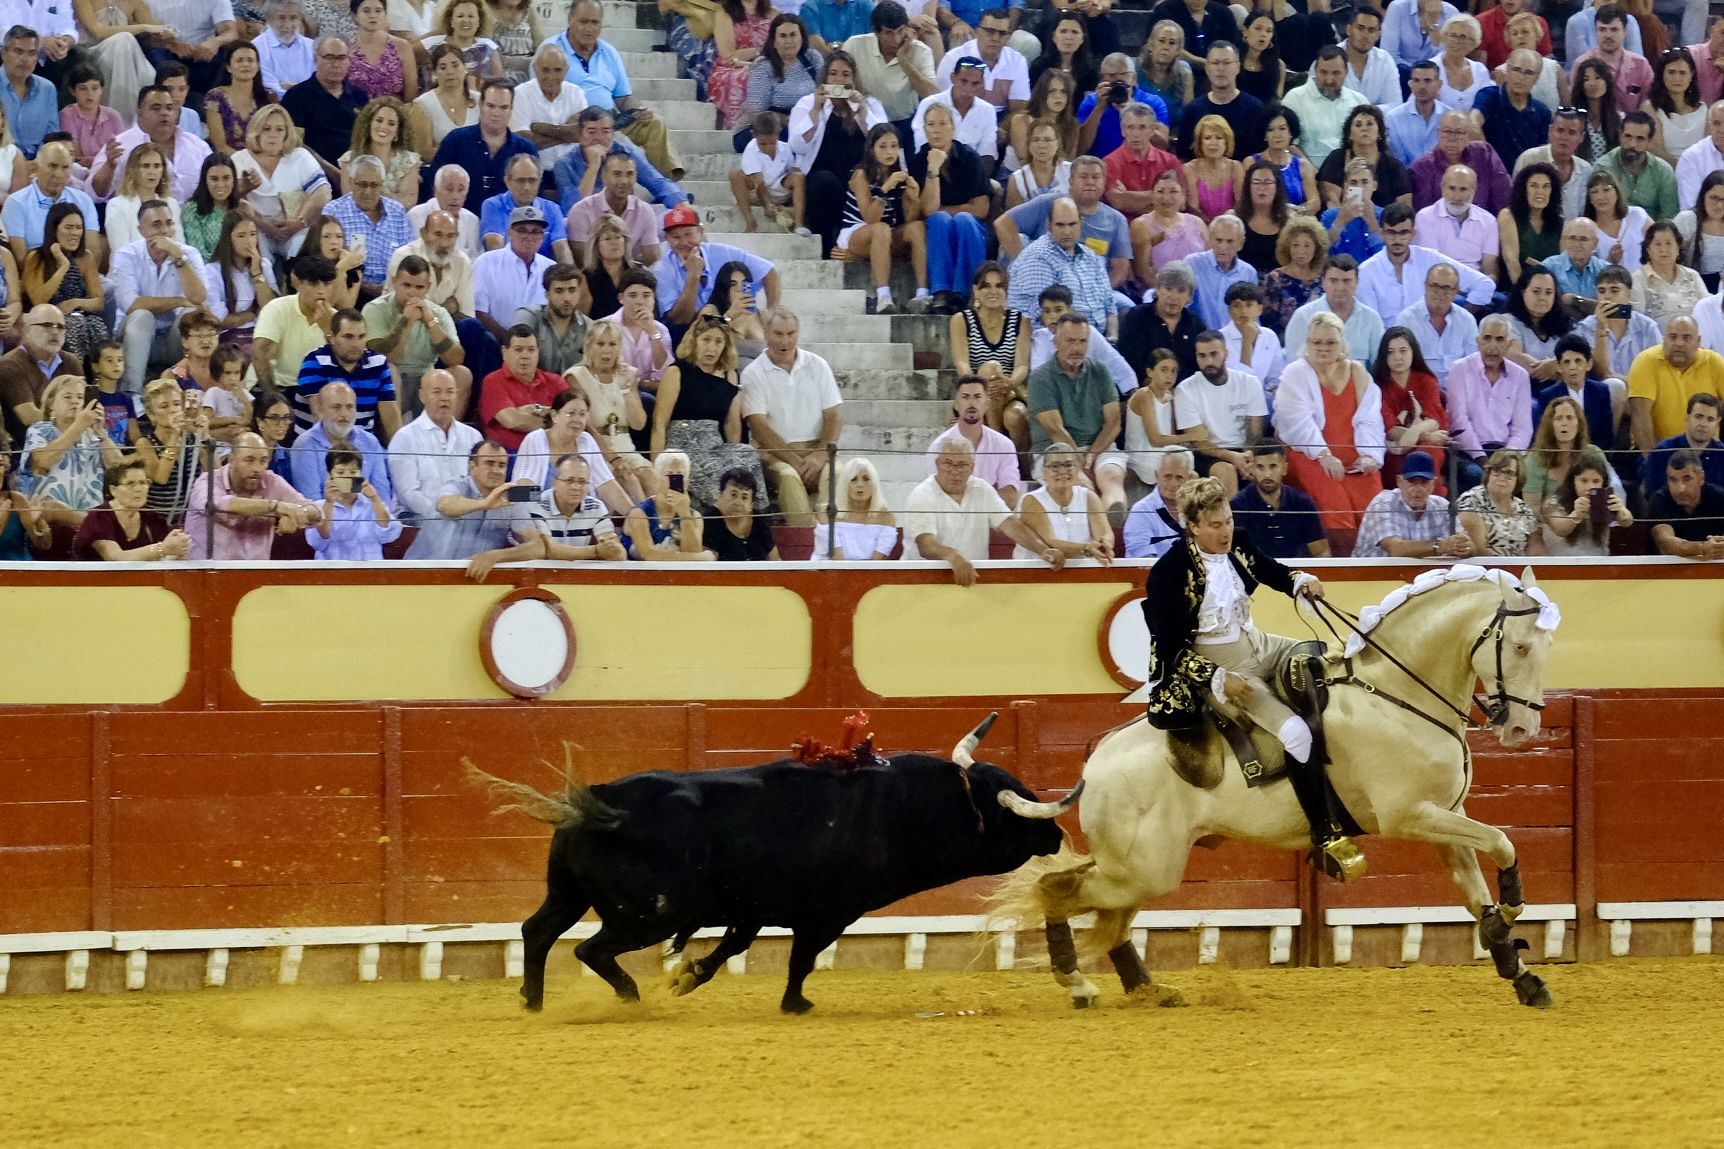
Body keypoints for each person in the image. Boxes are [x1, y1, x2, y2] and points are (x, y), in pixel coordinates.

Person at [1139, 472, 1357, 869]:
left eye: (1228, 521)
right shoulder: (1168, 572)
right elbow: (1170, 648)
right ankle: (1323, 831)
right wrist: (1219, 679)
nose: (1226, 531)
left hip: (1258, 642)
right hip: (1220, 663)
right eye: (1215, 525)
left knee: (1326, 657)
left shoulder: (1238, 541)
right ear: (1193, 527)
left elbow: (1269, 569)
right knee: (1295, 733)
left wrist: (1299, 581)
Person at [1272, 310, 1385, 543]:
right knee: (1333, 497)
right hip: (1308, 454)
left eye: (1330, 342)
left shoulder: (1357, 371)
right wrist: (1323, 455)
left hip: (1354, 456)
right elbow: (1296, 424)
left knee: (1372, 494)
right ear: (1308, 343)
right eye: (1317, 342)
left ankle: (1374, 555)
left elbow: (1370, 418)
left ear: (1341, 343)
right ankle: (1341, 558)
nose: (1323, 348)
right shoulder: (1294, 373)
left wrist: (1369, 455)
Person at [902, 436, 1062, 583]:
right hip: (921, 581)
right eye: (948, 463)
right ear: (937, 464)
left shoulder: (982, 489)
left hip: (972, 578)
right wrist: (953, 556)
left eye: (962, 465)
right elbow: (926, 545)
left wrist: (1043, 550)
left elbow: (1010, 524)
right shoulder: (922, 495)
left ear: (972, 467)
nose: (955, 471)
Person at [648, 315, 766, 510]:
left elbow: (731, 424)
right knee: (716, 470)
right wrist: (658, 466)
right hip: (683, 444)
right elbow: (659, 423)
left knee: (747, 454)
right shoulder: (677, 372)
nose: (712, 348)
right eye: (706, 340)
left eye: (718, 341)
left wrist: (734, 452)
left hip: (715, 445)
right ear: (695, 341)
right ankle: (725, 512)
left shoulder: (730, 375)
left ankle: (753, 513)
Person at [740, 309, 841, 528]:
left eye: (790, 333)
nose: (785, 341)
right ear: (766, 333)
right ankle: (804, 535)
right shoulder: (753, 373)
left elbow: (833, 416)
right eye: (778, 334)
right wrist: (794, 460)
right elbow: (758, 426)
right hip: (774, 453)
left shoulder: (818, 365)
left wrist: (821, 453)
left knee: (837, 473)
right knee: (789, 477)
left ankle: (827, 534)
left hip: (816, 447)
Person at [465, 452, 626, 577]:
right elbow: (549, 550)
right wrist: (596, 551)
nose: (576, 487)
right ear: (554, 483)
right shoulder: (536, 503)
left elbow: (618, 553)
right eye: (569, 480)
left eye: (582, 482)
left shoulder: (596, 506)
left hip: (580, 579)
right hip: (541, 577)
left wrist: (613, 549)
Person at [112, 201, 207, 395]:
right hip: (133, 337)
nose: (165, 230)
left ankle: (191, 391)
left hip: (174, 338)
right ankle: (132, 394)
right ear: (141, 230)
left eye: (169, 223)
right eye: (156, 225)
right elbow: (132, 304)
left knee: (191, 314)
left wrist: (178, 257)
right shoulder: (126, 255)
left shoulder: (188, 254)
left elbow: (199, 298)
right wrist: (179, 301)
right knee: (142, 316)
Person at [834, 124, 929, 315]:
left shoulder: (900, 175)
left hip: (886, 233)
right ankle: (883, 295)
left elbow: (910, 218)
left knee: (917, 227)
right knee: (880, 228)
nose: (889, 152)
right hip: (857, 231)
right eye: (883, 146)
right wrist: (885, 188)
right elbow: (870, 217)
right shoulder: (860, 175)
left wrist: (913, 197)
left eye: (894, 146)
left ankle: (922, 293)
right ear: (872, 149)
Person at [180, 431, 320, 557]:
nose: (257, 469)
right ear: (232, 460)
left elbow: (316, 511)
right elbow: (219, 506)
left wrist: (297, 514)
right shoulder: (207, 481)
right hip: (205, 573)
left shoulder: (271, 481)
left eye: (263, 461)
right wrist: (275, 506)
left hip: (256, 573)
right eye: (249, 460)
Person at [362, 254, 465, 417]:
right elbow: (386, 358)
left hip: (426, 379)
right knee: (390, 370)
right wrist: (407, 321)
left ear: (428, 287)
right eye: (406, 285)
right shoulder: (375, 309)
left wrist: (430, 321)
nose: (412, 293)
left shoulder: (438, 313)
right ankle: (394, 433)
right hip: (389, 380)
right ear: (394, 282)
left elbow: (455, 359)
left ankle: (446, 430)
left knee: (461, 373)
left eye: (419, 287)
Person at [230, 104, 333, 267]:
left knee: (303, 248)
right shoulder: (239, 159)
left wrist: (300, 222)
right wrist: (263, 224)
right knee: (255, 250)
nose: (273, 135)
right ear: (256, 131)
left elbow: (323, 193)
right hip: (257, 228)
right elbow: (230, 201)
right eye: (266, 129)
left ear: (287, 133)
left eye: (279, 129)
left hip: (296, 227)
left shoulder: (300, 156)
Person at [1001, 196, 1118, 333]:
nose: (1067, 231)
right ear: (1049, 225)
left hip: (1092, 338)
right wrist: (1090, 339)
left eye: (1072, 224)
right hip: (1053, 338)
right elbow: (1045, 317)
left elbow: (1110, 306)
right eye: (1060, 225)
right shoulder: (1037, 258)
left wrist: (1112, 338)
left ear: (1081, 223)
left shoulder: (1091, 257)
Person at [20, 375, 124, 528]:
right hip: (49, 522)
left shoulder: (92, 435)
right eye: (67, 397)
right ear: (51, 404)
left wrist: (101, 433)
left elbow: (120, 470)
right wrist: (78, 427)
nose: (75, 402)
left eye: (80, 397)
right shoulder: (40, 430)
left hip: (90, 524)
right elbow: (41, 462)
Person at [653, 205, 780, 330]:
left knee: (752, 317)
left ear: (700, 232)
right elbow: (680, 320)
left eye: (688, 234)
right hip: (690, 332)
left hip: (731, 324)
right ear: (667, 238)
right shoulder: (662, 270)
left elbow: (770, 272)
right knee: (708, 311)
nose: (684, 242)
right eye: (676, 237)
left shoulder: (722, 253)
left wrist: (772, 312)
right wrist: (693, 276)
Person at [421, 79, 537, 216]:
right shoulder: (456, 141)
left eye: (503, 107)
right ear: (481, 105)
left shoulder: (525, 149)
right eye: (491, 106)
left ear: (511, 109)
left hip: (509, 224)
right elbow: (434, 187)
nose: (496, 113)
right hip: (460, 222)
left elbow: (536, 198)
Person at [1361, 202, 1495, 319]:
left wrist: (1457, 319)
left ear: (1413, 234)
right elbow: (1372, 323)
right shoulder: (1366, 272)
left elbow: (1484, 284)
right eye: (1391, 232)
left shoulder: (1430, 259)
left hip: (1429, 336)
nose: (1397, 239)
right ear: (1382, 233)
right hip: (1387, 339)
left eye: (1403, 233)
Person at [404, 438, 534, 559]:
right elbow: (444, 505)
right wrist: (485, 504)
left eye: (501, 465)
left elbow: (537, 546)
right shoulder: (457, 484)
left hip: (474, 574)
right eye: (489, 463)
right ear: (472, 468)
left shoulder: (510, 496)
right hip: (424, 571)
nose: (496, 471)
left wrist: (496, 556)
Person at [950, 264, 1031, 458]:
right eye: (986, 286)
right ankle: (999, 450)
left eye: (999, 286)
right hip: (974, 390)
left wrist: (1008, 383)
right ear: (975, 290)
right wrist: (981, 386)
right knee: (989, 369)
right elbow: (962, 364)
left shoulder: (1021, 321)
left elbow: (1022, 365)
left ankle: (1005, 456)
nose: (993, 291)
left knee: (1017, 415)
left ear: (1006, 290)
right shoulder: (961, 320)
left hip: (1011, 390)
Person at [386, 367, 480, 522]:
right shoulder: (404, 438)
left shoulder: (473, 437)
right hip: (420, 519)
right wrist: (443, 515)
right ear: (422, 396)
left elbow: (478, 485)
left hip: (465, 519)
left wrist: (465, 513)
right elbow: (408, 493)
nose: (444, 398)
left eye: (450, 392)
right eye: (437, 392)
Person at [571, 320, 651, 504]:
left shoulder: (628, 374)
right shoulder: (576, 376)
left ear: (619, 347)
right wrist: (614, 459)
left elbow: (639, 424)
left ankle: (660, 522)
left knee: (650, 476)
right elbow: (586, 427)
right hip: (596, 450)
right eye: (600, 344)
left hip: (627, 448)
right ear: (589, 346)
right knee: (629, 479)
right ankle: (642, 520)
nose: (606, 350)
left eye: (612, 344)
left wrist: (626, 389)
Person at [291, 307, 400, 440]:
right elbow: (321, 417)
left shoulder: (378, 363)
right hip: (316, 443)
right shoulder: (315, 361)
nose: (356, 344)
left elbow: (391, 418)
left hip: (363, 443)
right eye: (348, 337)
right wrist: (346, 451)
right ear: (332, 338)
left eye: (361, 337)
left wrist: (398, 450)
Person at [286, 376, 393, 502]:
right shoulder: (305, 445)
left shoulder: (370, 442)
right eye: (336, 407)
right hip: (324, 512)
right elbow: (311, 500)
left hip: (367, 513)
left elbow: (382, 496)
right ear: (321, 409)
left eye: (349, 407)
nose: (344, 414)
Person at [1352, 448, 1474, 557]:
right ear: (1399, 482)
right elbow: (1395, 549)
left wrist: (1464, 546)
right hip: (1369, 572)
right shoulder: (1383, 503)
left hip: (1423, 572)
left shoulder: (1442, 506)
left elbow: (1465, 545)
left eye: (1424, 482)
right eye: (1411, 481)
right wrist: (1440, 546)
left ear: (1433, 484)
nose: (1418, 489)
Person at [843, 1, 939, 139]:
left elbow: (931, 95)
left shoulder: (921, 51)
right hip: (863, 118)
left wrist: (904, 62)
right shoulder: (854, 45)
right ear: (875, 32)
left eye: (900, 31)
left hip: (905, 123)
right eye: (888, 33)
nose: (896, 39)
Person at [22, 204, 106, 361]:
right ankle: (73, 373)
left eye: (78, 228)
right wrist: (63, 267)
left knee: (96, 325)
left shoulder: (85, 257)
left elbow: (99, 301)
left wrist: (74, 303)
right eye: (68, 227)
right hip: (46, 320)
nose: (75, 233)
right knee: (72, 326)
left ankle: (97, 375)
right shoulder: (36, 257)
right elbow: (38, 300)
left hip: (79, 315)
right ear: (54, 230)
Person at [927, 373, 1023, 508]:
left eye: (977, 397)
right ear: (956, 404)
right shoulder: (938, 447)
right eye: (965, 397)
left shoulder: (1004, 445)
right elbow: (938, 496)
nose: (972, 403)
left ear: (987, 403)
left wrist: (967, 501)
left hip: (993, 519)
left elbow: (1010, 497)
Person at [325, 155, 415, 298]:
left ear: (382, 185)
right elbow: (326, 258)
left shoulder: (397, 211)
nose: (368, 191)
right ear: (351, 182)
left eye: (374, 185)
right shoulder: (334, 211)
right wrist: (362, 285)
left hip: (393, 293)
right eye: (362, 184)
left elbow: (410, 256)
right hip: (349, 291)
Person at [279, 37, 368, 182]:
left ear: (349, 61)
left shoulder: (359, 95)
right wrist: (332, 172)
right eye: (329, 58)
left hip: (356, 174)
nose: (336, 65)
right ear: (316, 59)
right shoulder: (296, 96)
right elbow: (296, 143)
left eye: (341, 58)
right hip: (312, 174)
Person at [73, 460, 192, 561]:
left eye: (143, 483)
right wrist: (162, 549)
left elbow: (168, 555)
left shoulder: (151, 517)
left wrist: (179, 550)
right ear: (113, 490)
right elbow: (116, 558)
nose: (139, 489)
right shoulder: (99, 517)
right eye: (130, 483)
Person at [471, 205, 555, 342]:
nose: (529, 237)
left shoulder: (551, 267)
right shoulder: (486, 262)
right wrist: (511, 341)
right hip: (496, 342)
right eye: (522, 230)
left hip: (542, 345)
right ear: (510, 232)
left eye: (535, 232)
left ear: (542, 236)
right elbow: (478, 311)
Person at [1283, 255, 1386, 368]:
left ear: (1357, 282)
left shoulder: (1371, 319)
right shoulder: (1303, 316)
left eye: (1346, 281)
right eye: (1333, 281)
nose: (1340, 287)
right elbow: (1294, 364)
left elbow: (1379, 366)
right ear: (1323, 282)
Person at [479, 324, 568, 452]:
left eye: (531, 350)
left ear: (538, 352)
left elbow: (571, 415)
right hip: (510, 455)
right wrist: (553, 419)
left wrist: (533, 409)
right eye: (518, 350)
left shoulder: (555, 381)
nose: (525, 356)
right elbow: (512, 421)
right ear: (504, 352)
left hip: (553, 452)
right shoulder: (492, 381)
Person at [1279, 47, 1369, 173]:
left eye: (1336, 73)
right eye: (1323, 72)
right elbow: (1288, 144)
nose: (1329, 80)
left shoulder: (1359, 101)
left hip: (1351, 173)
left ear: (1346, 72)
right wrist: (1313, 173)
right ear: (1315, 70)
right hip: (1307, 173)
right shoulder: (1294, 98)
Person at [1409, 111, 1512, 216]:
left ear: (1468, 134)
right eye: (1447, 131)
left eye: (1459, 132)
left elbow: (1502, 196)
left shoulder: (1484, 153)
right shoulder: (1422, 167)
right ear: (1438, 132)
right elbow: (1424, 212)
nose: (1452, 138)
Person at [1395, 263, 1479, 390]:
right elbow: (1400, 366)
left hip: (1459, 390)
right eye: (1434, 286)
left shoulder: (1467, 320)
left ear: (1456, 291)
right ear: (1425, 286)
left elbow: (1473, 363)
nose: (1440, 293)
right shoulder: (1406, 320)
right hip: (1420, 389)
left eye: (1446, 288)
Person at [1175, 42, 1264, 163]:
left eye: (1227, 63)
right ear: (1207, 68)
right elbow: (1183, 157)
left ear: (1238, 67)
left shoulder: (1255, 109)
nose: (1221, 69)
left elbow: (1261, 156)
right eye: (1215, 63)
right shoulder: (1192, 111)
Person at [506, 42, 589, 169]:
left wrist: (539, 128)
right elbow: (522, 141)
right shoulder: (520, 94)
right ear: (535, 68)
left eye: (557, 70)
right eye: (545, 70)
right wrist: (567, 134)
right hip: (535, 171)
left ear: (566, 70)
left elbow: (583, 133)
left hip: (572, 170)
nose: (551, 76)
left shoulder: (576, 93)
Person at [1119, 259, 1206, 381]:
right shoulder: (1136, 317)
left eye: (1181, 291)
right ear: (1158, 289)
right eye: (1168, 288)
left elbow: (1200, 366)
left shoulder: (1196, 324)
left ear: (1189, 296)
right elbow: (1128, 363)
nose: (1173, 296)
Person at [1412, 165, 1500, 281]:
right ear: (1442, 188)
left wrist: (1485, 285)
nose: (1457, 197)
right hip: (1439, 284)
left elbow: (1490, 269)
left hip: (1475, 284)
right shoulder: (1425, 217)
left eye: (1463, 189)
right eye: (1452, 188)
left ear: (1474, 190)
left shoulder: (1488, 221)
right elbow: (1429, 264)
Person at [1454, 448, 1541, 555]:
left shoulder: (1524, 508)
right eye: (1496, 471)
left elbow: (1535, 546)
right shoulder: (1471, 500)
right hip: (1485, 563)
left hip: (1519, 563)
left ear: (1518, 478)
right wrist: (1509, 564)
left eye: (1509, 473)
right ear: (1488, 473)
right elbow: (1479, 549)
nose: (1502, 477)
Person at [1543, 454, 1632, 554]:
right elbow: (1560, 530)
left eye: (1596, 481)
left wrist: (1621, 510)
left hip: (1598, 560)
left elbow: (1627, 522)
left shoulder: (1606, 500)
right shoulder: (1553, 502)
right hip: (1561, 561)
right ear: (1573, 481)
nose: (1590, 487)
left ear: (1603, 483)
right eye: (1584, 481)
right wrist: (1576, 514)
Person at [1646, 448, 1724, 557]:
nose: (1680, 489)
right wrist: (1701, 548)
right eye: (1673, 480)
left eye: (1687, 479)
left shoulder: (1719, 497)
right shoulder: (1660, 499)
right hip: (1668, 566)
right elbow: (1665, 543)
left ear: (1701, 478)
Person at [1643, 392, 1724, 495]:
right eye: (1698, 417)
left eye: (1710, 419)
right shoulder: (1662, 451)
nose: (1703, 424)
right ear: (1687, 418)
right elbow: (1653, 494)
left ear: (1717, 423)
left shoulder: (1722, 453)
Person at [1259, 216, 1327, 337]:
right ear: (1288, 247)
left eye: (1307, 245)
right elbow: (1267, 322)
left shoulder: (1325, 278)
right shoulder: (1274, 279)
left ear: (1316, 248)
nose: (1301, 251)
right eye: (1296, 245)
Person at [1122, 445, 1193, 558]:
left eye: (1179, 477)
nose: (1173, 484)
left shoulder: (1198, 509)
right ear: (1157, 476)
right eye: (1167, 476)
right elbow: (1143, 559)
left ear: (1189, 479)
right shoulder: (1141, 511)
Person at [411, 42, 479, 149]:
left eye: (455, 65)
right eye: (443, 68)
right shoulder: (423, 104)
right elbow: (424, 151)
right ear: (434, 73)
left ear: (465, 68)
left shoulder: (480, 100)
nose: (450, 72)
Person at [1181, 113, 1243, 225]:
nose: (1213, 143)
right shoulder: (1189, 169)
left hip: (1230, 226)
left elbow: (1240, 205)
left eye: (1219, 138)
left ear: (1226, 142)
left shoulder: (1236, 167)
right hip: (1198, 226)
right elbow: (1193, 209)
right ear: (1200, 142)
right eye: (1207, 138)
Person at [1386, 62, 1450, 169]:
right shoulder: (1393, 118)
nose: (1421, 86)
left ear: (1439, 84)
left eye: (1427, 81)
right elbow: (1397, 160)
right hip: (1405, 176)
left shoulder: (1449, 116)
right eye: (1416, 80)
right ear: (1410, 84)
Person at [1647, 47, 1706, 163]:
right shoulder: (1651, 107)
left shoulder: (1704, 109)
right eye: (1671, 72)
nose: (1677, 78)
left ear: (1691, 75)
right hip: (1665, 169)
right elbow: (1656, 149)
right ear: (1662, 75)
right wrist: (1683, 169)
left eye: (1682, 73)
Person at [253, 0, 315, 100]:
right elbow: (270, 88)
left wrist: (291, 88)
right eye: (281, 18)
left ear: (300, 19)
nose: (288, 24)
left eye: (293, 18)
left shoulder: (312, 46)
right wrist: (302, 90)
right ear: (269, 20)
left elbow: (319, 84)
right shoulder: (256, 47)